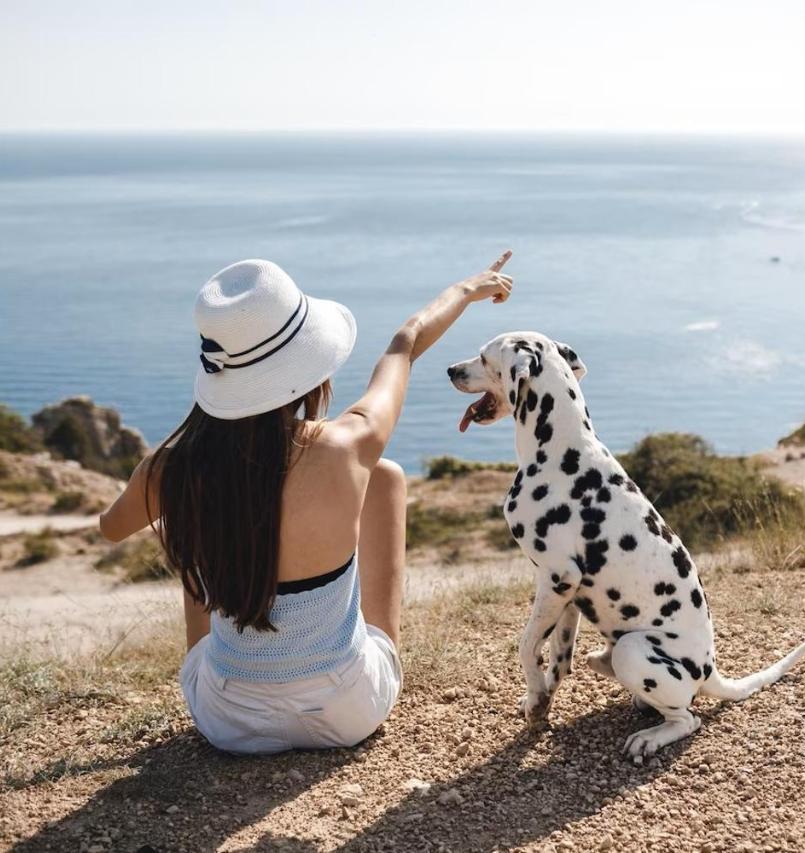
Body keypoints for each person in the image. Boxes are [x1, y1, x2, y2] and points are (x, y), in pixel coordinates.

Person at [99, 252, 513, 753]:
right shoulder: (348, 445)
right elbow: (404, 345)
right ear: (309, 368)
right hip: (348, 710)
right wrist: (468, 289)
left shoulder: (174, 469)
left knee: (198, 511)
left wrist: (188, 450)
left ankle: (245, 668)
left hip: (227, 721)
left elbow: (111, 528)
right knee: (383, 477)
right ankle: (369, 653)